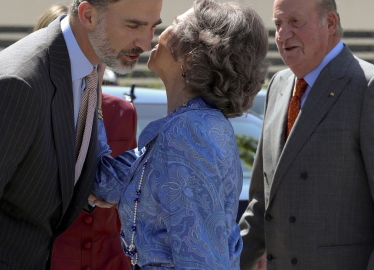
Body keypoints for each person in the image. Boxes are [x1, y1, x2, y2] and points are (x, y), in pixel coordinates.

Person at [0, 0, 162, 269]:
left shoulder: (86, 72)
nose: (146, 43)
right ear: (88, 15)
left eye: (153, 27)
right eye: (133, 25)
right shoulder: (16, 84)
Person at [239, 0, 374, 269]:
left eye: (295, 22)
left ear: (331, 23)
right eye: (278, 24)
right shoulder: (278, 85)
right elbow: (261, 206)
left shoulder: (371, 89)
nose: (282, 35)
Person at [90, 0, 269, 269]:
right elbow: (106, 183)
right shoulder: (184, 126)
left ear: (192, 56)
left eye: (172, 25)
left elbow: (201, 261)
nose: (156, 34)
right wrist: (92, 79)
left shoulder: (190, 134)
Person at [31, 5, 138, 270]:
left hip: (110, 260)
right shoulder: (33, 106)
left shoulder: (123, 112)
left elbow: (127, 193)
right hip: (51, 259)